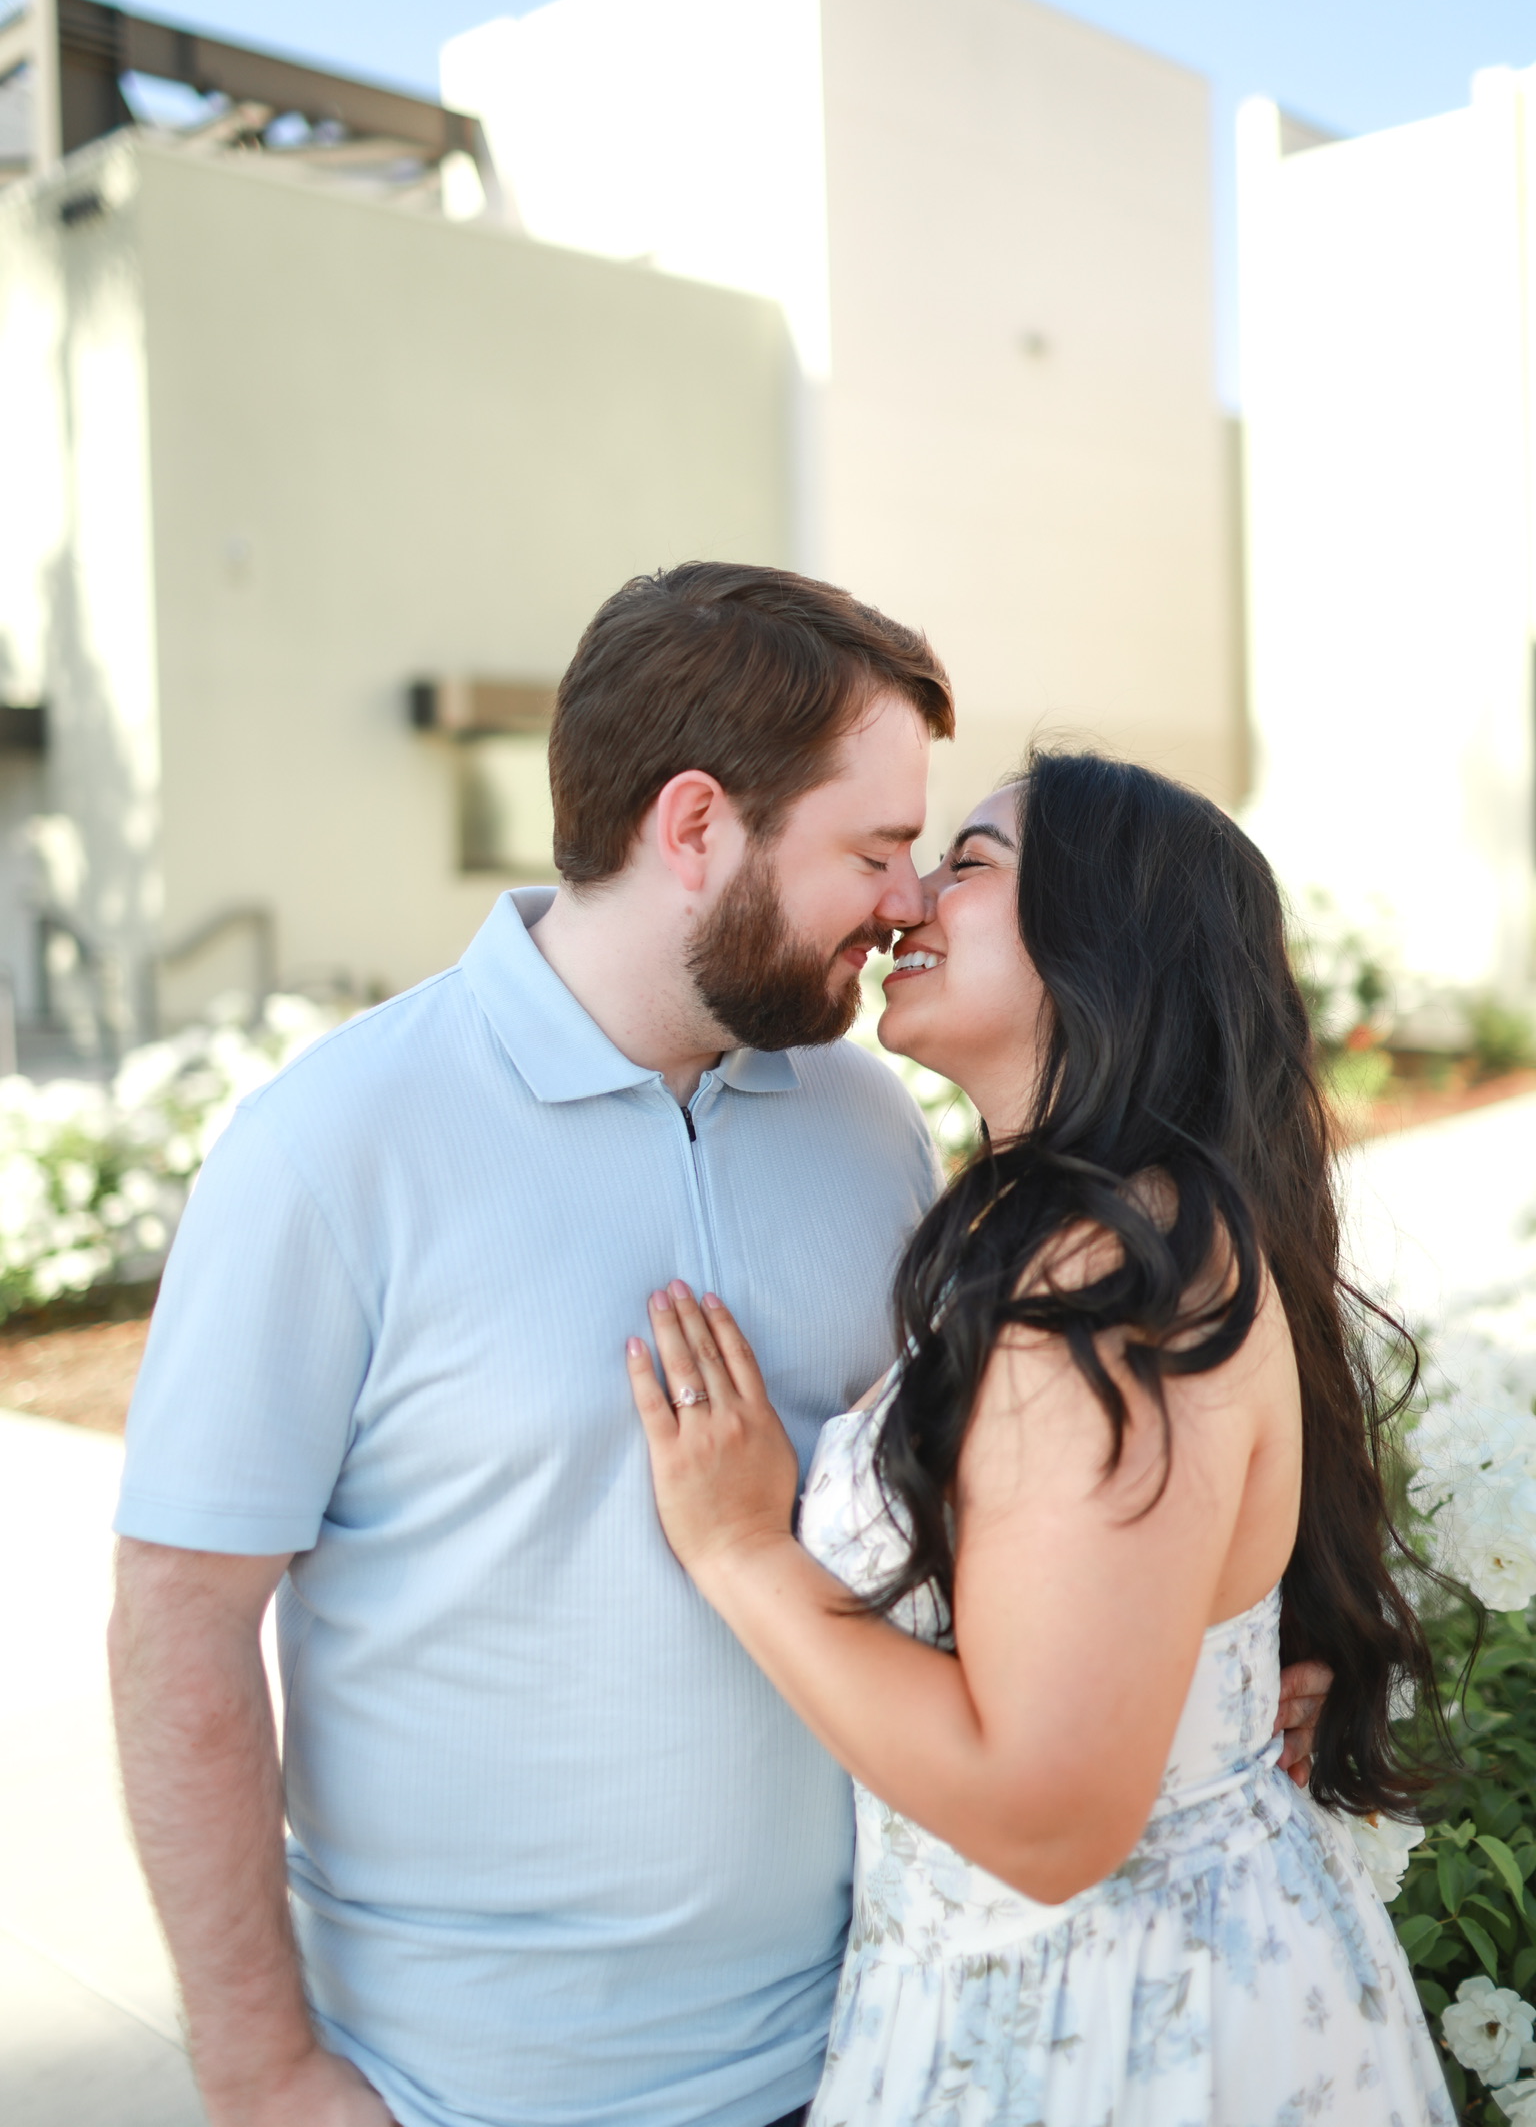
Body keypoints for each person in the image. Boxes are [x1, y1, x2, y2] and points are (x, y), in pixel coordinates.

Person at [109, 569, 1328, 2127]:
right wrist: (260, 2070)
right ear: (696, 828)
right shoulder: (331, 1149)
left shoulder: (870, 1121)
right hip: (471, 2088)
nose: (904, 898)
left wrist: (1215, 1671)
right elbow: (179, 1622)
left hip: (868, 2042)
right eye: (878, 849)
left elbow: (1052, 1489)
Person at [626, 751, 1453, 2126]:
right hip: (1094, 1993)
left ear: (1102, 941)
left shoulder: (1108, 1280)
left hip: (1100, 2028)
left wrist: (740, 1553)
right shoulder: (1110, 1235)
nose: (908, 905)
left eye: (971, 863)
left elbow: (1052, 1818)